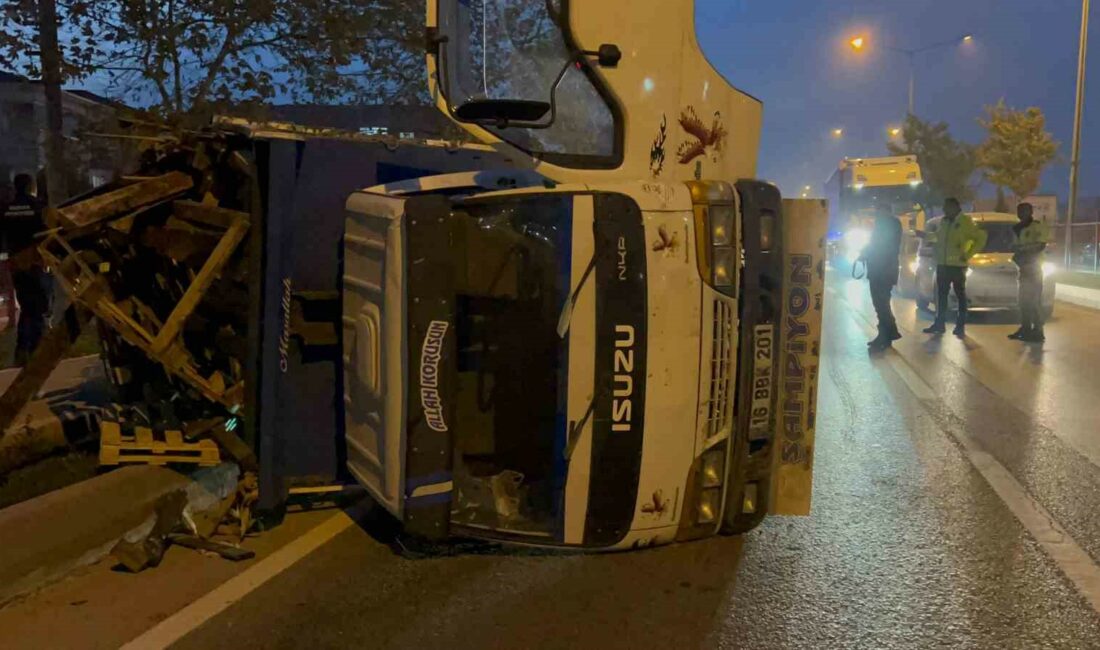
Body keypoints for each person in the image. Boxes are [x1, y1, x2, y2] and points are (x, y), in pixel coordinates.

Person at [0, 174, 50, 364]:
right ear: (31, 186)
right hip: (35, 262)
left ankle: (22, 350)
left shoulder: (6, 208)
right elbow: (45, 232)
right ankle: (36, 351)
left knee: (28, 307)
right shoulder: (37, 206)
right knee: (38, 306)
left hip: (16, 265)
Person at [922, 197, 987, 338]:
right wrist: (925, 235)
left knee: (960, 296)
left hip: (957, 266)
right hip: (943, 265)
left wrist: (968, 254)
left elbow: (981, 237)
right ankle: (939, 325)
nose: (944, 210)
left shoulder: (965, 222)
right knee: (941, 296)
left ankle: (960, 325)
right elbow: (937, 238)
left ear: (955, 207)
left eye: (946, 207)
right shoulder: (944, 222)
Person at [860, 204, 902, 351]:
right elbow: (874, 245)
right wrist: (864, 254)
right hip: (878, 270)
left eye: (879, 211)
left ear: (886, 211)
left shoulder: (890, 224)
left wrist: (867, 253)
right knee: (880, 304)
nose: (877, 214)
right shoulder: (883, 225)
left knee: (881, 303)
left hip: (883, 271)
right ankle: (888, 333)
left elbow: (881, 247)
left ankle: (887, 333)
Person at [1008, 202, 1051, 343]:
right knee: (1023, 301)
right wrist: (1018, 254)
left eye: (1025, 211)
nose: (1022, 214)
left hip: (1034, 268)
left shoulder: (1037, 226)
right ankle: (1025, 329)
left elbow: (1040, 245)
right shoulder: (1016, 228)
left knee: (1034, 301)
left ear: (1031, 212)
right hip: (1023, 268)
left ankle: (1038, 331)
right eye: (1020, 211)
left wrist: (1024, 251)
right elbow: (1015, 246)